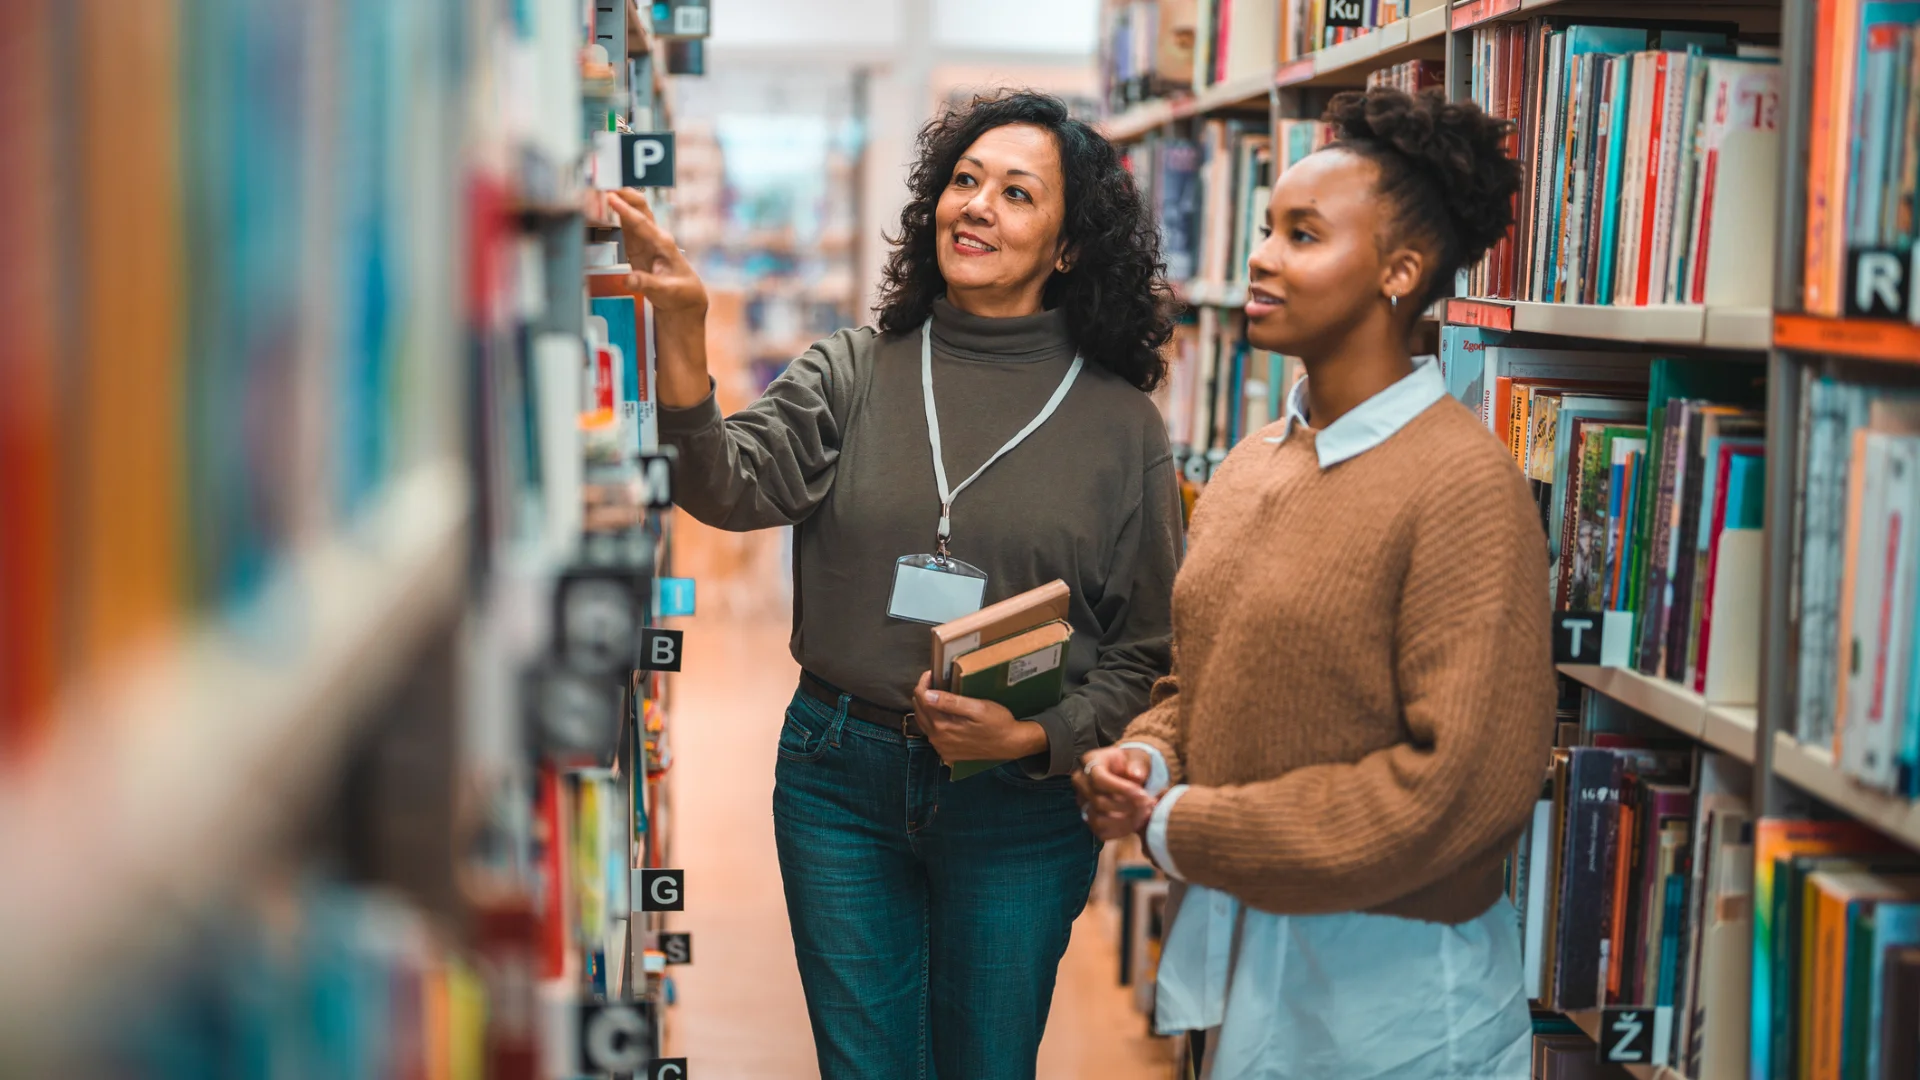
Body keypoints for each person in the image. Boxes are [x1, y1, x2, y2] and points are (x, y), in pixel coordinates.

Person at [606, 90, 1181, 1079]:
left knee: (985, 1065)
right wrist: (687, 338)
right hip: (840, 772)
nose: (978, 205)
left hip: (1017, 797)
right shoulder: (853, 370)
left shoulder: (1122, 426)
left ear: (1069, 246)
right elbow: (725, 486)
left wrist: (1039, 737)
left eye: (1016, 191)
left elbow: (1146, 650)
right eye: (964, 180)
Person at [1075, 87, 1551, 1079]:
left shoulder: (1464, 486)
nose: (1261, 257)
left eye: (1303, 234)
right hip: (1254, 953)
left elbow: (1453, 791)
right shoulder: (1257, 461)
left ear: (1399, 271)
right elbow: (1200, 682)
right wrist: (1151, 760)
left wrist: (1187, 825)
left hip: (1397, 993)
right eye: (1265, 229)